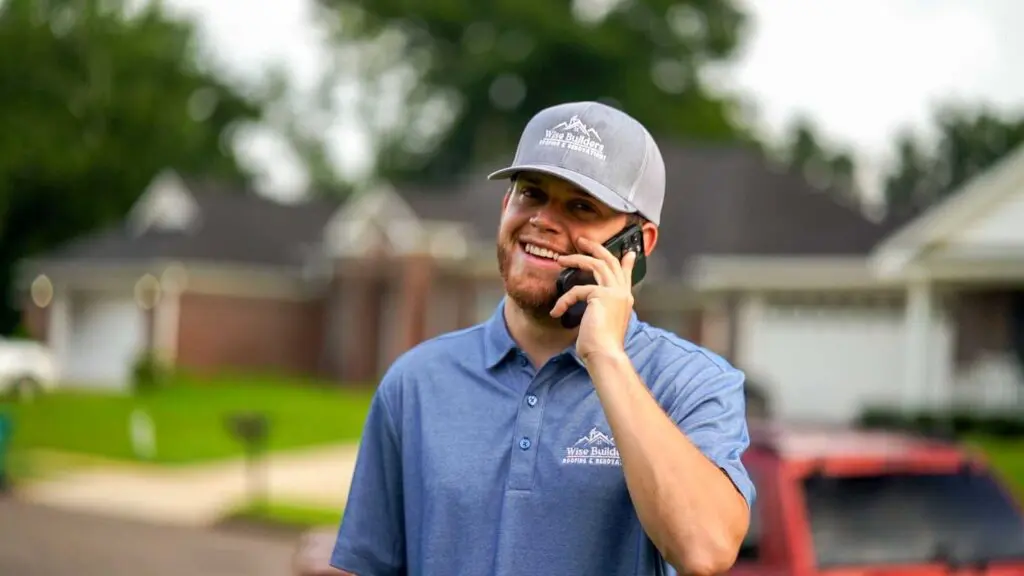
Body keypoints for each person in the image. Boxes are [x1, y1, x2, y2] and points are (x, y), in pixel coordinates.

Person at [330, 101, 755, 576]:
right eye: (531, 194)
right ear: (505, 206)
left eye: (581, 206)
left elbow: (705, 551)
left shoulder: (692, 383)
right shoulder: (415, 382)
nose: (543, 220)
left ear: (638, 244)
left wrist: (605, 357)